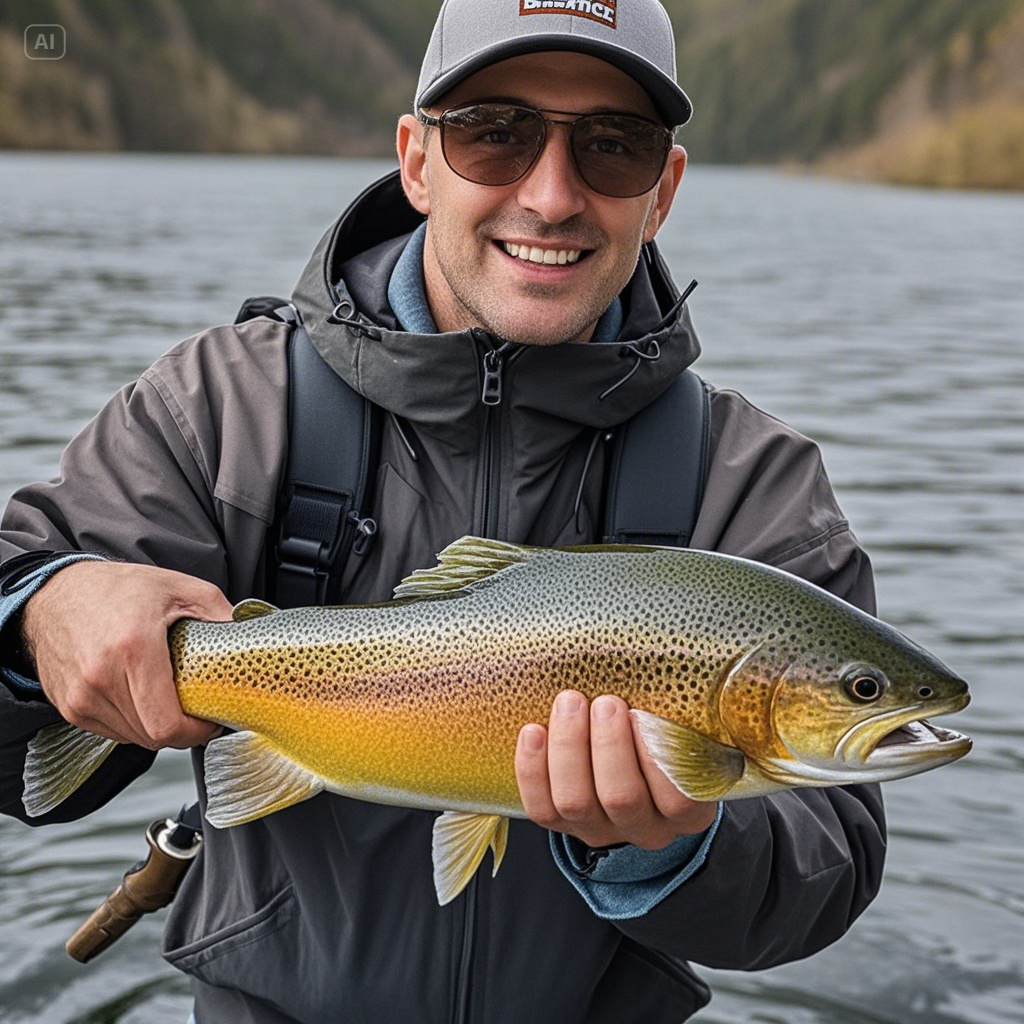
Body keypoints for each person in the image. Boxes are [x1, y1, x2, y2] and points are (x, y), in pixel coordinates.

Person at [0, 1, 886, 1021]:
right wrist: (38, 619)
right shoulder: (219, 410)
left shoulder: (752, 479)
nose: (550, 195)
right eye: (494, 133)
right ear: (417, 162)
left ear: (664, 191)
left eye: (613, 145)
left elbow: (826, 868)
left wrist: (673, 841)